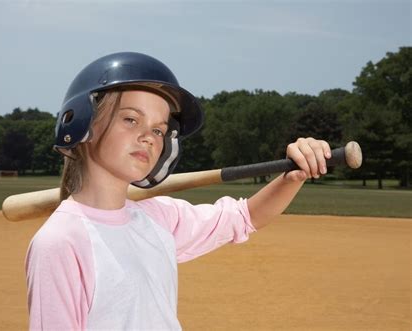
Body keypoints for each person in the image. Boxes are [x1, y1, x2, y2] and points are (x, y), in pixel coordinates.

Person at [25, 52, 331, 330]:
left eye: (159, 129)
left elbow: (245, 216)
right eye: (131, 119)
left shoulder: (159, 218)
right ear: (82, 123)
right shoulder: (60, 242)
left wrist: (295, 174)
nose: (148, 136)